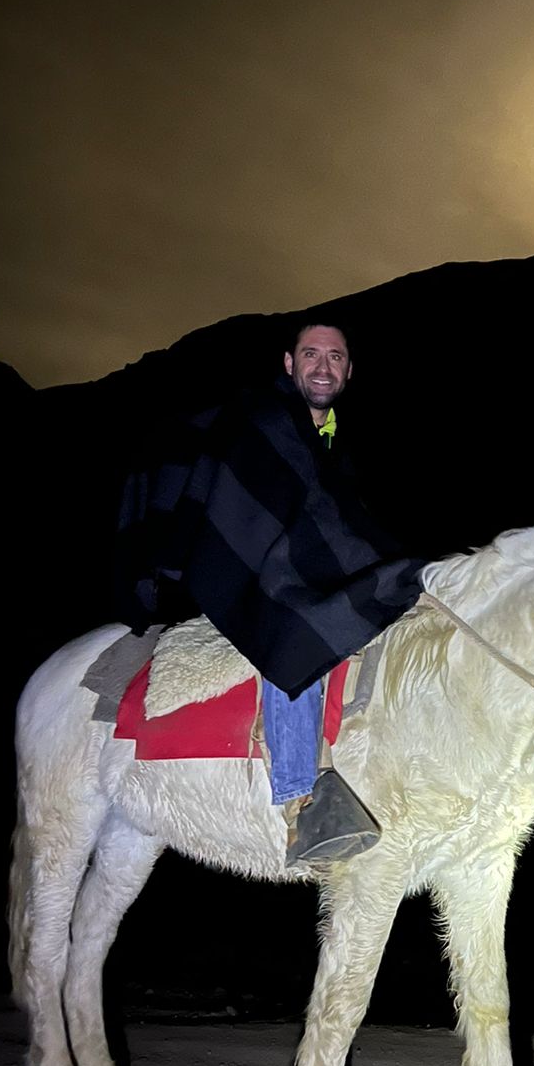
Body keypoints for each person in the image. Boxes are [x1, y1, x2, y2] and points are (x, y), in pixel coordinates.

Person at [115, 318, 426, 862]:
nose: (322, 367)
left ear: (349, 371)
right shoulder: (265, 421)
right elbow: (253, 515)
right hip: (238, 566)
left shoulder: (335, 441)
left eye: (334, 357)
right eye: (311, 355)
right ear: (290, 364)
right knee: (300, 631)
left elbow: (335, 524)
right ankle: (301, 800)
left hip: (287, 566)